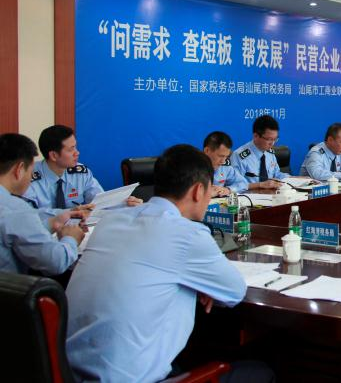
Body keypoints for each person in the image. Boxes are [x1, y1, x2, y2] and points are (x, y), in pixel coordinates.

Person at [66, 145, 258, 382]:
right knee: (261, 372)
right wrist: (201, 284)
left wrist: (193, 281)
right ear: (198, 191)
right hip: (131, 378)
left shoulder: (111, 221)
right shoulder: (187, 234)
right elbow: (234, 292)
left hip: (70, 372)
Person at [0, 133, 86, 275]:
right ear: (19, 169)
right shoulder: (15, 209)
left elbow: (15, 230)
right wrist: (71, 238)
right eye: (30, 171)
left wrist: (52, 222)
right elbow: (55, 262)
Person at [24, 125, 140, 211]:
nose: (77, 153)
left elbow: (100, 202)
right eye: (71, 149)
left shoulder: (80, 173)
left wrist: (124, 204)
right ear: (53, 155)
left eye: (76, 147)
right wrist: (70, 213)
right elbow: (28, 217)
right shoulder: (28, 177)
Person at [232, 115, 288, 191]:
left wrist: (294, 178)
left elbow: (277, 174)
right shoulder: (239, 156)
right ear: (256, 136)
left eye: (275, 139)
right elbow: (234, 185)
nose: (272, 143)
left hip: (272, 195)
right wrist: (260, 185)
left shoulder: (270, 153)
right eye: (269, 139)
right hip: (249, 197)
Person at [203, 131, 248, 196]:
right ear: (207, 151)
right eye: (221, 156)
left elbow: (243, 184)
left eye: (226, 156)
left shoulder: (225, 167)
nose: (223, 161)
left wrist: (228, 190)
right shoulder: (192, 167)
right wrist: (206, 193)